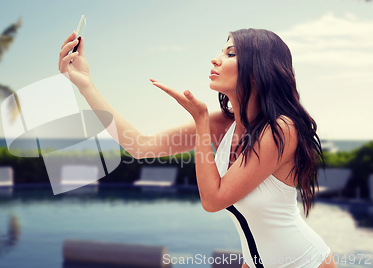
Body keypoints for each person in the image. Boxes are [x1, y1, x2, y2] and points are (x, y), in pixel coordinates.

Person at [58, 28, 336, 268]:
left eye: (231, 54)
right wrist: (85, 84)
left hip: (305, 262)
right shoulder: (224, 124)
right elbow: (139, 146)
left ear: (257, 70)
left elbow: (213, 200)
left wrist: (201, 121)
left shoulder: (282, 129)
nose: (215, 59)